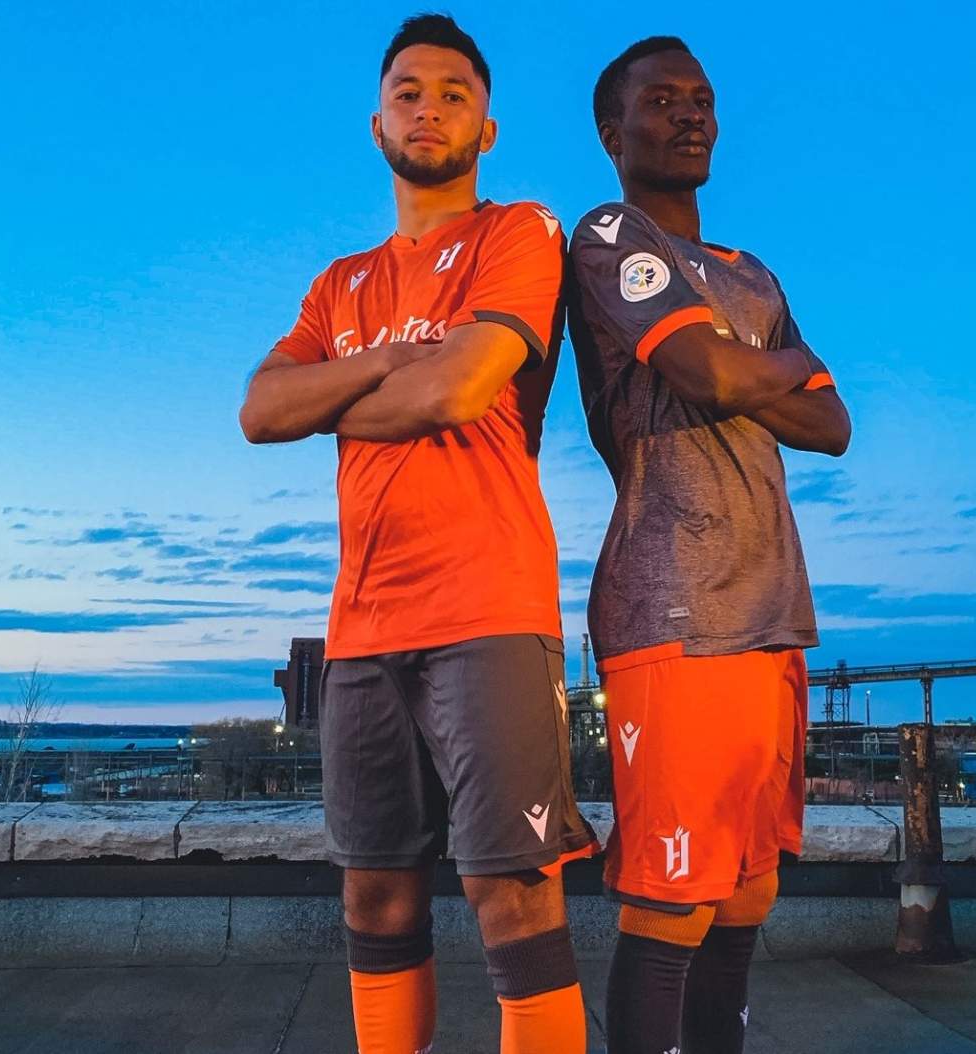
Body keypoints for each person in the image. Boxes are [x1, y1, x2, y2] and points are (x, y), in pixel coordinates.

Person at [239, 14, 594, 1053]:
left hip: (489, 610)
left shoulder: (520, 232)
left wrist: (332, 394)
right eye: (408, 91)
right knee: (377, 899)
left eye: (453, 93)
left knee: (513, 899)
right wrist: (386, 365)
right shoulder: (338, 283)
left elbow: (456, 390)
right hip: (360, 627)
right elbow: (260, 411)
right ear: (375, 120)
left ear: (487, 128)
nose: (428, 107)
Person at [567, 36, 851, 1054]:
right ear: (614, 130)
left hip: (773, 607)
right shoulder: (608, 235)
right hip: (673, 607)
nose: (690, 115)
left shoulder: (754, 272)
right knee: (669, 905)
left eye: (703, 99)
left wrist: (749, 364)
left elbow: (833, 423)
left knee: (744, 897)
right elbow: (717, 377)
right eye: (661, 100)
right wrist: (767, 364)